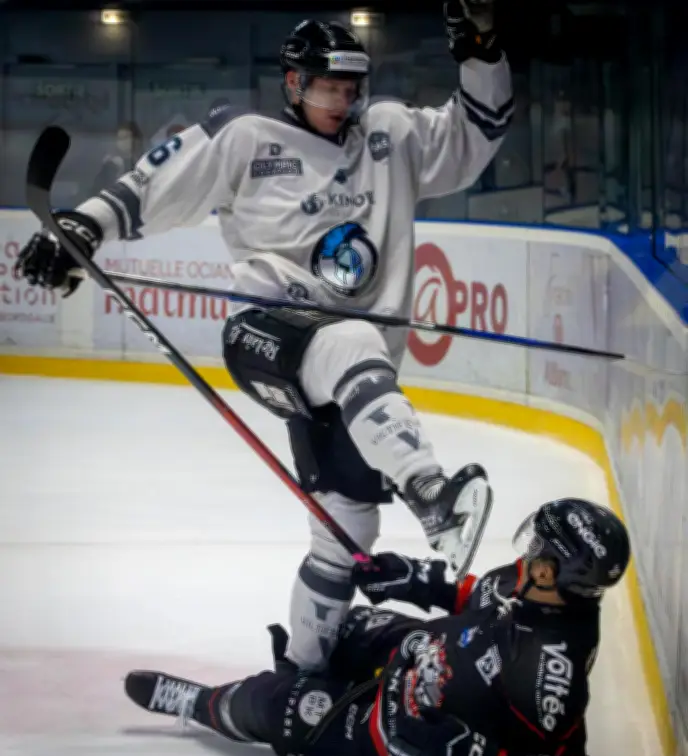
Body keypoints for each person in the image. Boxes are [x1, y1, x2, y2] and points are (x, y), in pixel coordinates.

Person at [13, 2, 513, 671]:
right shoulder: (245, 138)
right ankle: (432, 495)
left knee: (347, 528)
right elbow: (150, 186)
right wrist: (83, 228)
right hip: (268, 335)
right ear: (294, 83)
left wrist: (480, 49)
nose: (343, 101)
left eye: (351, 88)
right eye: (328, 88)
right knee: (352, 343)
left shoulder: (389, 134)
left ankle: (302, 673)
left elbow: (477, 132)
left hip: (352, 375)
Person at [122, 498, 631, 756]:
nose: (527, 553)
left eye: (537, 548)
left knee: (274, 707)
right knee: (341, 625)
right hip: (418, 647)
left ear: (550, 570)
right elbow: (476, 595)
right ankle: (302, 678)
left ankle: (199, 702)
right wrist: (413, 577)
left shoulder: (551, 672)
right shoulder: (538, 583)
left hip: (397, 725)